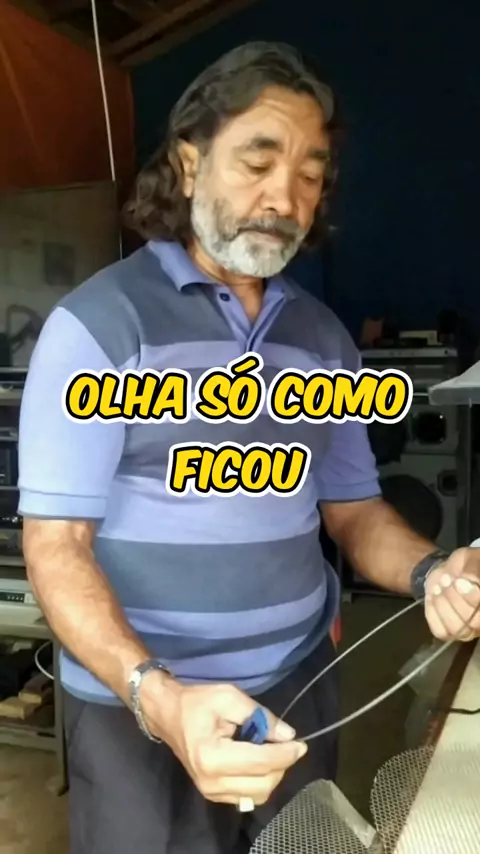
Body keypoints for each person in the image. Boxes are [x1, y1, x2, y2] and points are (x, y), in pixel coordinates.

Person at [18, 41, 480, 854]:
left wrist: (431, 571)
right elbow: (57, 544)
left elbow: (353, 511)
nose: (284, 198)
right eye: (258, 162)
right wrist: (159, 697)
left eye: (309, 174)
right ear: (189, 162)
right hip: (141, 708)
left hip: (299, 683)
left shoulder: (323, 339)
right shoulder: (98, 326)